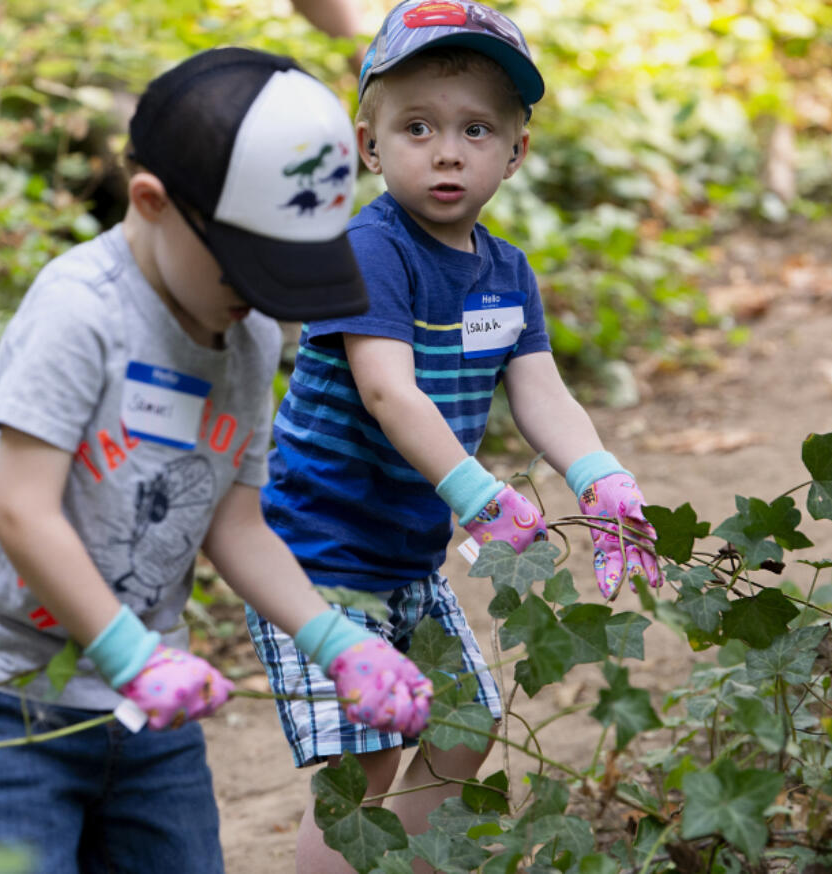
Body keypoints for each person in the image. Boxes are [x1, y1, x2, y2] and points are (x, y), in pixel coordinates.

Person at [0, 47, 431, 874]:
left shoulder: (251, 334)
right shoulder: (81, 314)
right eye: (248, 266)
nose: (260, 295)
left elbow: (236, 522)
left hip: (152, 697)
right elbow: (20, 509)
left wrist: (337, 642)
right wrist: (129, 656)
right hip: (7, 694)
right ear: (151, 203)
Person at [246, 3, 661, 871]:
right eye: (418, 127)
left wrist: (600, 477)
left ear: (516, 153)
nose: (446, 150)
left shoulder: (507, 272)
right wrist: (477, 496)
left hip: (404, 558)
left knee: (462, 727)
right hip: (314, 556)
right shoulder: (371, 248)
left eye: (476, 129)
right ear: (369, 144)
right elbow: (388, 391)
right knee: (363, 764)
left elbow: (539, 390)